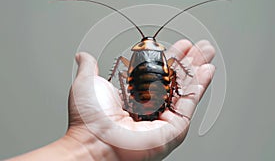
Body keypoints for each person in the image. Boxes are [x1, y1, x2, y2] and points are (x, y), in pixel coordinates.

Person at [7, 39, 215, 161]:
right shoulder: (164, 58)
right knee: (169, 73)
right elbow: (171, 72)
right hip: (159, 95)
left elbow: (126, 75)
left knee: (147, 74)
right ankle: (170, 100)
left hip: (136, 98)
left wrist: (95, 147)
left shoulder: (133, 59)